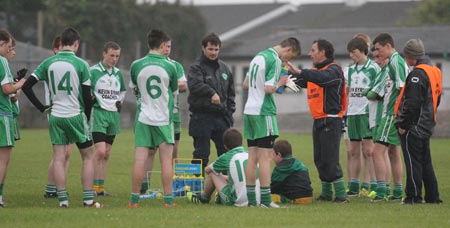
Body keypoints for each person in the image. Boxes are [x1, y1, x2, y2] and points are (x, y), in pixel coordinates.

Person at [22, 28, 103, 208]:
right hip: (75, 115)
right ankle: (88, 199)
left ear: (61, 43)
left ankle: (63, 200)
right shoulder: (82, 64)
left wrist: (42, 108)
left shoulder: (48, 62)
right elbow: (87, 95)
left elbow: (27, 86)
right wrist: (87, 117)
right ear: (76, 44)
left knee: (58, 157)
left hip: (56, 115)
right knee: (88, 156)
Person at [287, 39, 348, 203]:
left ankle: (342, 195)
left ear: (323, 52)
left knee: (331, 158)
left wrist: (300, 72)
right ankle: (327, 194)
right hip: (318, 120)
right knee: (319, 158)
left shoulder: (334, 70)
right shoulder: (315, 71)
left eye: (313, 50)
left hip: (331, 120)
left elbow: (321, 78)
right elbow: (298, 82)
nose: (309, 53)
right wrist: (283, 76)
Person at [243, 37, 300, 208]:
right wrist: (281, 82)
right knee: (266, 158)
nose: (287, 61)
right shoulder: (274, 60)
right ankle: (266, 201)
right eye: (290, 57)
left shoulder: (258, 57)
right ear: (288, 49)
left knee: (252, 157)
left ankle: (252, 201)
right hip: (264, 112)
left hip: (249, 111)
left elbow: (246, 84)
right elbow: (269, 89)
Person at [128, 29, 178, 208]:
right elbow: (173, 91)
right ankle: (169, 201)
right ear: (163, 44)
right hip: (164, 119)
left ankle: (134, 200)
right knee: (166, 160)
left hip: (143, 117)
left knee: (140, 159)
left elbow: (136, 90)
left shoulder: (136, 65)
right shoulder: (170, 66)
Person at [395, 39, 442, 204]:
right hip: (428, 123)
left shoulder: (417, 74)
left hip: (414, 125)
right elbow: (437, 98)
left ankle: (413, 196)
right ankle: (433, 196)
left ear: (410, 56)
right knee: (425, 162)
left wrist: (403, 124)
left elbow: (412, 103)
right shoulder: (434, 71)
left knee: (412, 161)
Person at [140, 38, 187, 195]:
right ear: (159, 46)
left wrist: (166, 84)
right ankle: (144, 186)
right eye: (165, 46)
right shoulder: (148, 64)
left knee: (173, 152)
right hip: (151, 113)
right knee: (150, 151)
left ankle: (175, 185)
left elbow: (183, 85)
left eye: (169, 46)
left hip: (172, 115)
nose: (167, 49)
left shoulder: (175, 65)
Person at [365, 33, 407, 202]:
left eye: (378, 49)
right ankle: (397, 192)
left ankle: (381, 192)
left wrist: (399, 115)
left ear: (388, 45)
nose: (377, 54)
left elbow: (402, 88)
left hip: (391, 114)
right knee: (393, 152)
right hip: (392, 114)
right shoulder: (394, 61)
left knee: (376, 152)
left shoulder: (396, 61)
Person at [187, 33, 235, 173]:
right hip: (201, 117)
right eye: (210, 49)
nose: (213, 52)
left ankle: (226, 188)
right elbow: (195, 85)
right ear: (203, 48)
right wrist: (211, 92)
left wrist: (230, 111)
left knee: (226, 154)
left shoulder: (224, 68)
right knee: (201, 154)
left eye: (216, 49)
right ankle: (195, 187)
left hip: (222, 117)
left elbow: (231, 93)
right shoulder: (196, 67)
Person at [189, 128, 260, 206]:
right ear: (241, 142)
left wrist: (219, 175)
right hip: (257, 199)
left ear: (225, 146)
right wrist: (225, 177)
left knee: (213, 173)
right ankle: (219, 196)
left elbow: (207, 170)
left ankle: (204, 198)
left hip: (237, 201)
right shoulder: (249, 154)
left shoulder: (227, 156)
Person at [345, 37, 380, 196]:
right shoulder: (349, 70)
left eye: (354, 52)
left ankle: (374, 185)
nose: (351, 55)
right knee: (352, 150)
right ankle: (353, 186)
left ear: (362, 51)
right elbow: (346, 91)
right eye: (350, 53)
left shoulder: (373, 68)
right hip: (352, 113)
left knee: (369, 150)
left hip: (366, 113)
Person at [90, 41, 126, 196]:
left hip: (113, 116)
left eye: (117, 56)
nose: (114, 59)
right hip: (98, 113)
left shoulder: (117, 73)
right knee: (99, 151)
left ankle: (100, 188)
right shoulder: (93, 71)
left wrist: (120, 102)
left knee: (107, 153)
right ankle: (89, 187)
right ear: (104, 53)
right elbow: (86, 90)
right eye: (112, 55)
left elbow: (122, 91)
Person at [44, 36, 73, 199]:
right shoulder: (52, 64)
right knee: (61, 152)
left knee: (66, 152)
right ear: (55, 49)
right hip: (56, 110)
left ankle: (56, 187)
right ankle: (52, 188)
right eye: (61, 47)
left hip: (67, 110)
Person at [0, 29, 26, 208]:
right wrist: (21, 83)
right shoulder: (1, 60)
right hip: (2, 116)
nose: (10, 50)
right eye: (9, 47)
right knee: (3, 159)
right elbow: (7, 90)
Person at [270, 140, 313, 204]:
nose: (272, 158)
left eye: (273, 155)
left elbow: (273, 189)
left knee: (267, 196)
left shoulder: (280, 169)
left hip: (296, 199)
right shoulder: (300, 163)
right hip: (309, 197)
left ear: (279, 155)